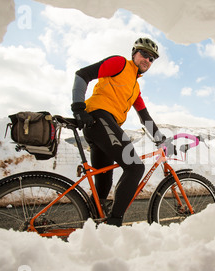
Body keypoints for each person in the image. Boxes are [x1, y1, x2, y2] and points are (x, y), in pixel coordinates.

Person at [71, 37, 165, 227]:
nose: (147, 59)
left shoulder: (135, 88)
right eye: (144, 54)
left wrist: (160, 139)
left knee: (104, 183)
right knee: (135, 167)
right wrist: (78, 108)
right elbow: (82, 74)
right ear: (134, 53)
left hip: (101, 127)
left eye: (151, 58)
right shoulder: (120, 63)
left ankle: (91, 225)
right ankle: (114, 224)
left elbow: (144, 115)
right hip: (98, 117)